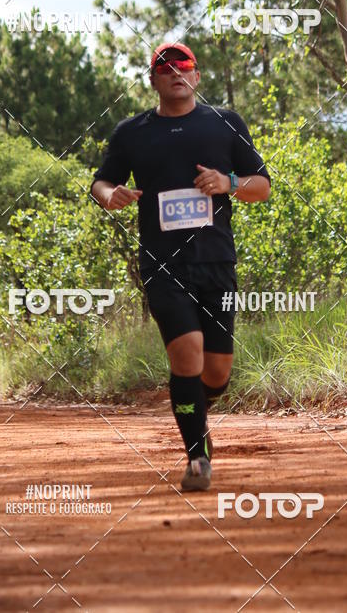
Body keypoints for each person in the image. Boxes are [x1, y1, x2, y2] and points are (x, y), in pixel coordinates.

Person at [90, 42, 270, 491]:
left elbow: (262, 186)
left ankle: (192, 405)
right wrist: (108, 195)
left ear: (198, 75)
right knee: (186, 353)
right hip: (161, 263)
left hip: (216, 261)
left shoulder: (225, 124)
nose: (176, 74)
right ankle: (197, 458)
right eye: (165, 68)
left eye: (183, 66)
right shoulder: (132, 132)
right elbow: (101, 180)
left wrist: (228, 182)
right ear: (153, 79)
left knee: (217, 373)